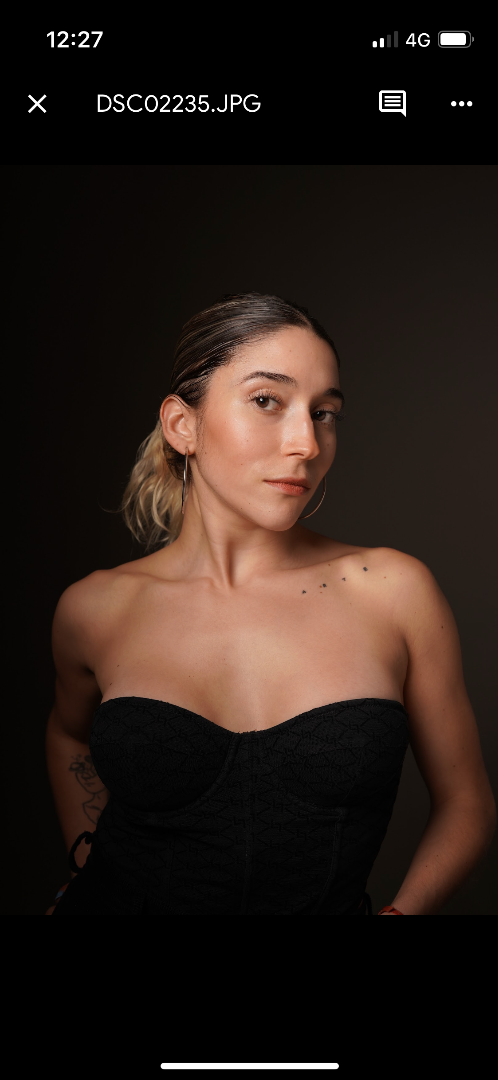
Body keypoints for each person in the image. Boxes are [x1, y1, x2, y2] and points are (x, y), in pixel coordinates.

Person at [46, 292, 495, 915]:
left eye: (325, 412)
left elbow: (468, 804)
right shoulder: (95, 609)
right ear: (182, 425)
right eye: (267, 401)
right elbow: (68, 735)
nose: (307, 443)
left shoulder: (393, 592)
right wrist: (85, 872)